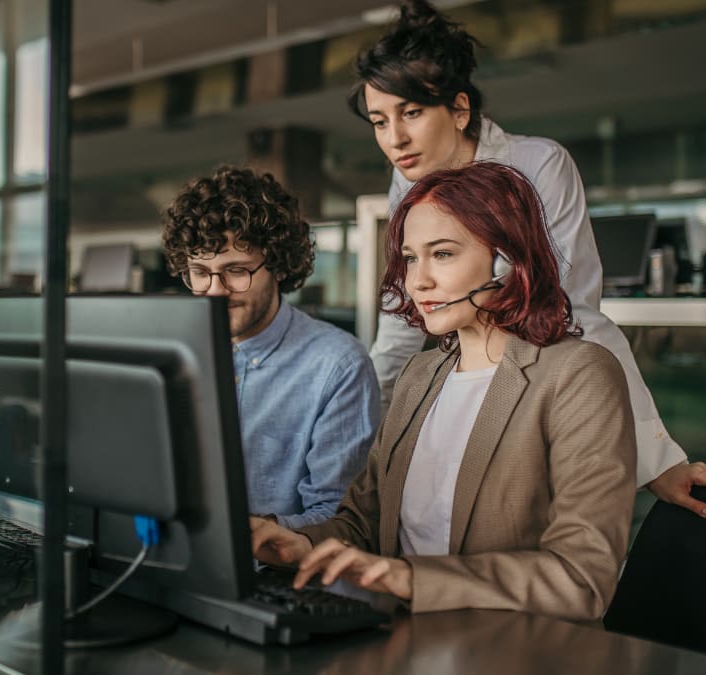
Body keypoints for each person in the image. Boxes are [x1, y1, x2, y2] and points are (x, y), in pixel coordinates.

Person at [352, 0, 706, 521]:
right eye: (380, 121)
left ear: (460, 110)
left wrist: (658, 458)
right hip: (461, 388)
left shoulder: (537, 165)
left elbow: (575, 312)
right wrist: (355, 437)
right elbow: (400, 327)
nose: (394, 138)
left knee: (551, 556)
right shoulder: (409, 184)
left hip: (544, 394)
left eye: (412, 113)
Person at [252, 161, 636, 620]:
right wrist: (301, 544)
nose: (418, 281)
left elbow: (582, 579)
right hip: (401, 637)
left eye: (443, 254)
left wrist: (413, 579)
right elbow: (365, 521)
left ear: (507, 262)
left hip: (508, 651)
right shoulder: (420, 376)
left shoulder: (578, 375)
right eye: (411, 257)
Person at [161, 165, 380, 529]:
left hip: (274, 577)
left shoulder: (337, 366)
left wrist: (245, 535)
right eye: (199, 272)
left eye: (236, 270)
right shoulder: (173, 352)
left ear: (277, 265)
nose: (215, 291)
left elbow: (338, 522)